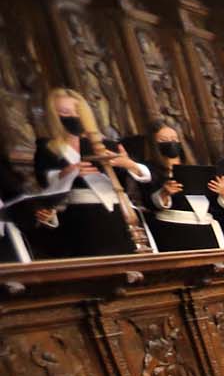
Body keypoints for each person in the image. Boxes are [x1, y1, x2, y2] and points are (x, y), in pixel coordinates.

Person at [32, 87, 151, 257]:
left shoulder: (107, 145)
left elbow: (144, 176)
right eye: (64, 112)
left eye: (76, 111)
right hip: (81, 218)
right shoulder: (47, 148)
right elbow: (44, 181)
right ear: (55, 116)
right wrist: (69, 172)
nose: (73, 116)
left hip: (117, 215)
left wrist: (128, 163)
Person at [140, 120, 224, 251]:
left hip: (207, 231)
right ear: (154, 144)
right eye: (164, 139)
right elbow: (147, 202)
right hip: (175, 233)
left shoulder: (196, 168)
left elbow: (214, 205)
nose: (171, 142)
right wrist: (164, 193)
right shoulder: (150, 171)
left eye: (174, 139)